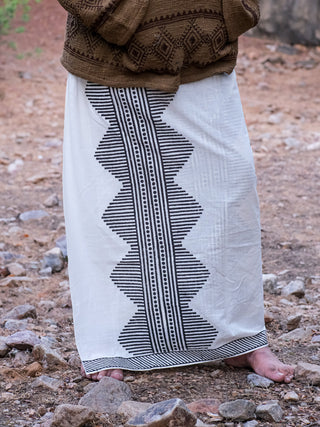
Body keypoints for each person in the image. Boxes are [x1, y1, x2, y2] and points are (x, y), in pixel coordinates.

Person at [57, 0, 294, 383]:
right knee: (115, 205)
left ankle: (239, 335)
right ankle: (112, 343)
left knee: (230, 190)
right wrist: (118, 15)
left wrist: (233, 10)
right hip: (116, 56)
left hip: (205, 47)